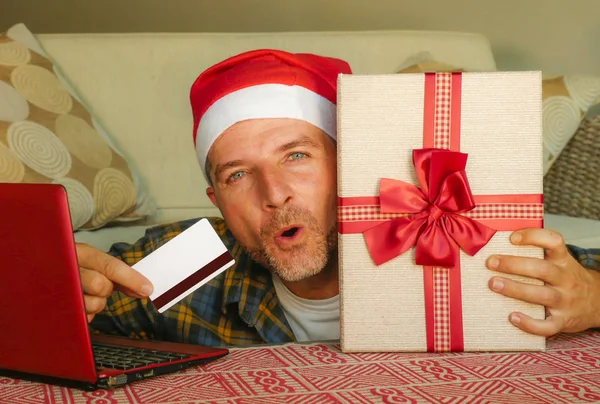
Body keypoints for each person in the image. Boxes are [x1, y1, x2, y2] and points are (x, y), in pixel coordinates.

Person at [83, 49, 600, 347]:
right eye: (239, 174)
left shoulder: (444, 238)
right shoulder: (195, 262)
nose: (274, 193)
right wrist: (53, 288)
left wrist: (593, 296)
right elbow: (77, 291)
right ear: (215, 198)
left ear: (348, 165)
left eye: (296, 156)